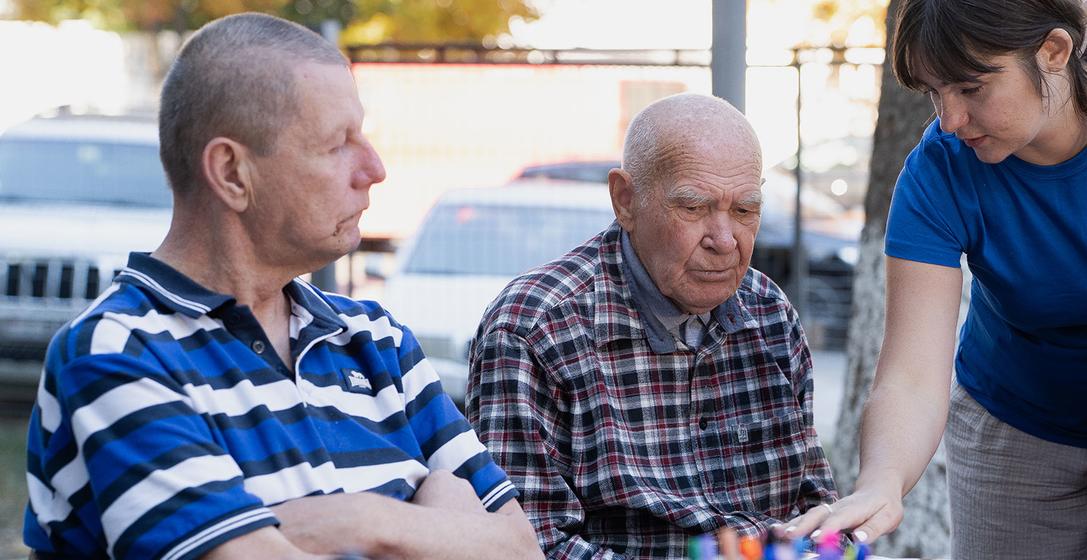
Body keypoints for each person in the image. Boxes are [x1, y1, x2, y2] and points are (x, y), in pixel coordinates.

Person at [22, 13, 540, 560]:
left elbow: (520, 549)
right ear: (231, 173)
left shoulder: (377, 341)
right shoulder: (120, 352)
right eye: (337, 143)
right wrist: (431, 521)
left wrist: (360, 522)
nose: (375, 168)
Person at [786, 0, 1087, 556]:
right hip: (1014, 434)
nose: (949, 119)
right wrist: (882, 482)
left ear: (1054, 50)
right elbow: (911, 374)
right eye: (933, 93)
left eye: (970, 88)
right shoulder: (939, 167)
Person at [467, 93, 837, 559]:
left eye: (745, 211)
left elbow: (816, 503)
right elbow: (526, 546)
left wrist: (824, 543)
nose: (725, 241)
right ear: (625, 200)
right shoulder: (535, 328)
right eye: (694, 208)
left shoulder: (768, 312)